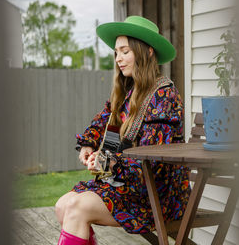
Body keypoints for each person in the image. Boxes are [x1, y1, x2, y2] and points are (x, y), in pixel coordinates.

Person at [55, 16, 190, 245]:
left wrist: (108, 162)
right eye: (116, 52)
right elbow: (103, 121)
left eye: (125, 51)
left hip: (157, 195)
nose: (118, 58)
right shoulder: (129, 92)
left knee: (77, 208)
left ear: (147, 52)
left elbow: (152, 160)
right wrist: (89, 144)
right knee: (62, 205)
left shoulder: (164, 96)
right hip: (129, 186)